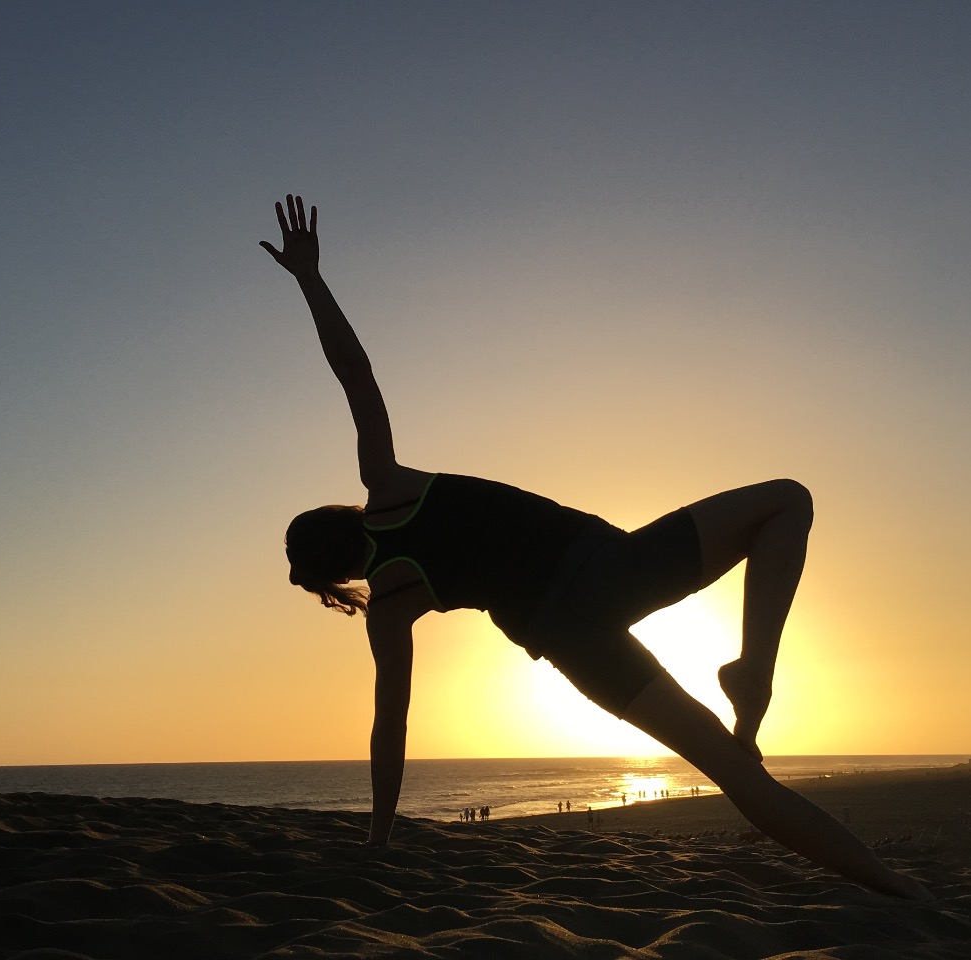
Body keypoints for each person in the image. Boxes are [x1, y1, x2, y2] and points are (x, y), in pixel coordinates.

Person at [260, 195, 931, 901]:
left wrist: (380, 836)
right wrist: (310, 278)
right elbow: (355, 372)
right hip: (611, 569)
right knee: (788, 500)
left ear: (332, 573)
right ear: (336, 513)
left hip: (571, 642)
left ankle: (894, 888)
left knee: (735, 774)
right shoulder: (388, 485)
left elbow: (390, 725)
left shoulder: (391, 604)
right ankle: (754, 667)